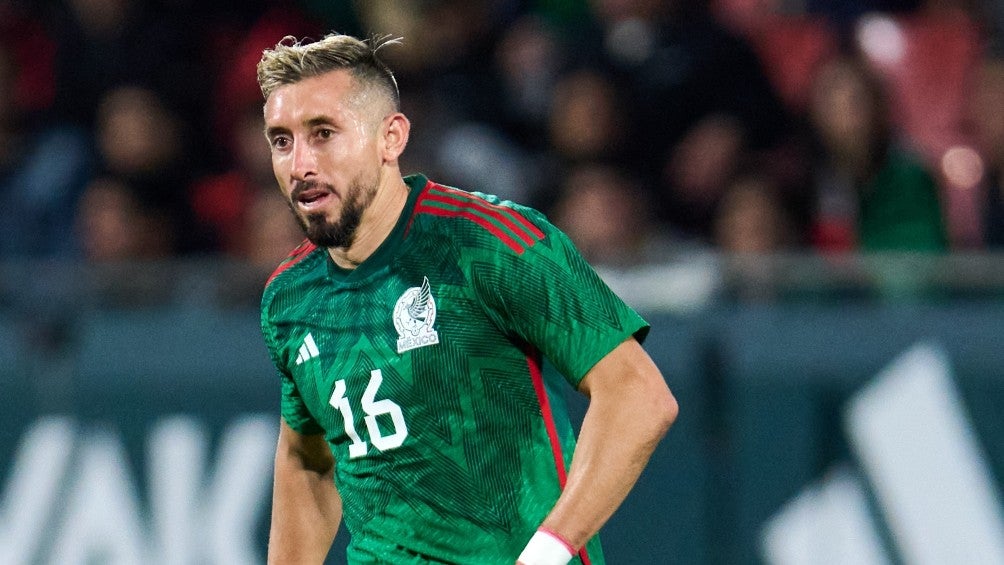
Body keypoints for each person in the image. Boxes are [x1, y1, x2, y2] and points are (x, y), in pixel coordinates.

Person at [256, 33, 677, 564]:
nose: (299, 164)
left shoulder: (489, 243)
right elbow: (307, 461)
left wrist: (545, 555)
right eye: (282, 141)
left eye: (323, 134)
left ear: (391, 138)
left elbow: (638, 398)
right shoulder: (290, 296)